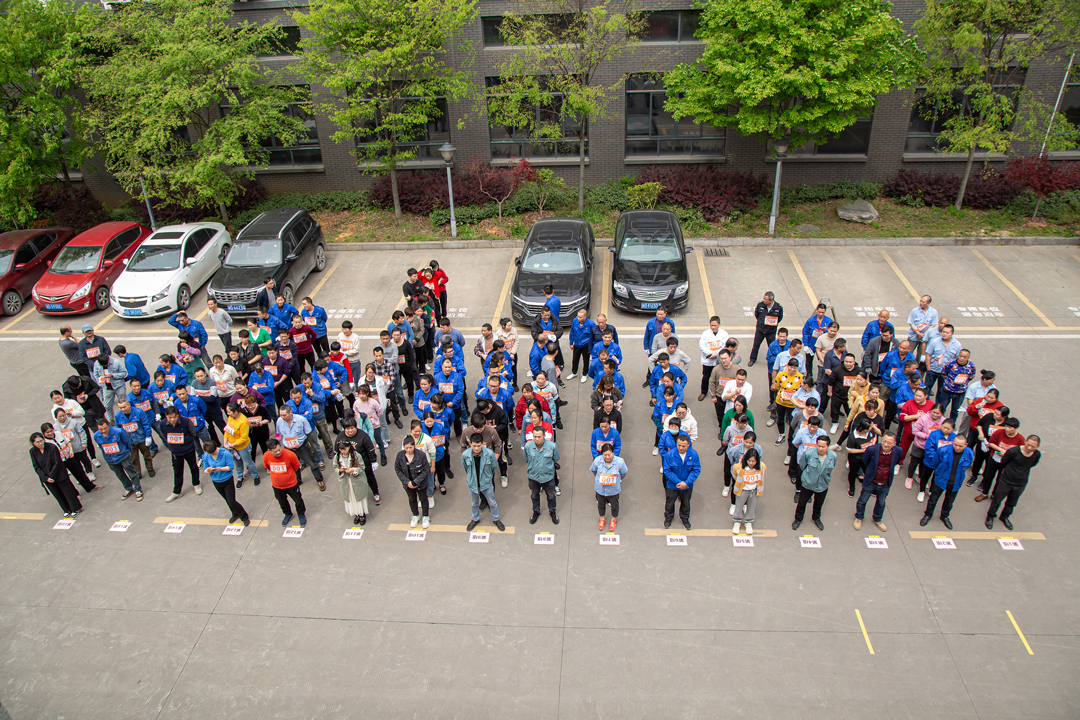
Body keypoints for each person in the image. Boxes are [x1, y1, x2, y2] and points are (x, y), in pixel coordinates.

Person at [985, 435, 1040, 531]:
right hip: (1006, 481)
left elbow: (1032, 464)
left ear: (1038, 447)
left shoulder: (1036, 455)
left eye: (1033, 447)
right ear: (1025, 442)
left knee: (1012, 502)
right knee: (997, 500)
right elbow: (1004, 461)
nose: (1029, 448)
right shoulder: (1014, 451)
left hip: (1021, 483)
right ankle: (990, 516)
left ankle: (1004, 517)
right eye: (1028, 444)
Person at [920, 435, 973, 529]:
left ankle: (944, 516)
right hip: (941, 480)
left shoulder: (969, 453)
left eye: (960, 446)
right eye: (955, 444)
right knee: (933, 500)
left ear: (966, 445)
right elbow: (935, 462)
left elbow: (968, 464)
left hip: (956, 483)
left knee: (949, 502)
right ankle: (927, 515)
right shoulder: (943, 450)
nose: (957, 447)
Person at [855, 432, 902, 531]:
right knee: (862, 500)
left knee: (881, 503)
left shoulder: (898, 451)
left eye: (889, 443)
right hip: (871, 481)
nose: (885, 444)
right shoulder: (872, 450)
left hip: (885, 483)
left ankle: (877, 519)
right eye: (884, 441)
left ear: (894, 443)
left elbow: (897, 461)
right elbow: (865, 461)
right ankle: (859, 517)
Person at [29, 433, 83, 518]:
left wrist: (51, 476)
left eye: (41, 441)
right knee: (58, 494)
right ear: (33, 443)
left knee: (68, 492)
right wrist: (46, 478)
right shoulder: (33, 451)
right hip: (47, 478)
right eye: (37, 442)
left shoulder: (52, 447)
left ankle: (75, 508)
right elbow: (36, 466)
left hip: (59, 474)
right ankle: (66, 509)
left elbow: (57, 462)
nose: (40, 444)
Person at [156, 406, 201, 502]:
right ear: (166, 416)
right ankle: (177, 492)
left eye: (174, 417)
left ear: (178, 416)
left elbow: (192, 433)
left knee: (193, 467)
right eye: (169, 417)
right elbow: (164, 435)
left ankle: (196, 484)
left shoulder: (186, 422)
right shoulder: (162, 424)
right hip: (176, 452)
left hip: (188, 450)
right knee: (177, 471)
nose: (172, 420)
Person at [462, 433, 505, 532]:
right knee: (474, 503)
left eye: (478, 446)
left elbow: (494, 466)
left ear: (482, 444)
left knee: (492, 502)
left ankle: (496, 519)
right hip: (473, 483)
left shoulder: (489, 454)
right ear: (470, 444)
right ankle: (475, 519)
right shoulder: (465, 455)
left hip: (486, 483)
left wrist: (488, 477)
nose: (476, 448)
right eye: (474, 446)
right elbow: (465, 467)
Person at [201, 440, 248, 525]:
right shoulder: (206, 456)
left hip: (227, 481)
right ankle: (235, 513)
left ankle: (244, 516)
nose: (212, 455)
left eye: (213, 453)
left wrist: (220, 469)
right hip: (216, 481)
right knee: (227, 500)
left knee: (232, 501)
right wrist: (207, 470)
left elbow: (230, 467)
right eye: (210, 454)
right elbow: (205, 468)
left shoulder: (225, 453)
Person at [263, 438, 306, 527]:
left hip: (292, 485)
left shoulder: (290, 454)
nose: (278, 452)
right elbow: (267, 467)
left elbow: (296, 466)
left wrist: (288, 476)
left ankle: (301, 514)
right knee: (282, 501)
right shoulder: (266, 456)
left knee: (298, 500)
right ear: (269, 450)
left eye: (279, 450)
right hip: (277, 486)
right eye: (275, 451)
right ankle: (288, 514)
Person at [662, 434, 699, 530]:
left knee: (686, 503)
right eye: (679, 445)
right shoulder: (669, 455)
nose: (681, 448)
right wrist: (678, 482)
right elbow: (667, 470)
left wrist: (686, 483)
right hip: (672, 485)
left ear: (688, 445)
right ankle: (668, 518)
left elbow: (696, 470)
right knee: (670, 502)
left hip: (687, 485)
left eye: (683, 446)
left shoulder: (693, 454)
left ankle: (685, 518)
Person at [524, 426, 560, 525]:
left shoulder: (552, 446)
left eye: (539, 436)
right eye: (535, 436)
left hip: (548, 477)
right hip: (533, 477)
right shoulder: (528, 446)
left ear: (544, 436)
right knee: (534, 496)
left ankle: (552, 512)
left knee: (551, 496)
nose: (537, 439)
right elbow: (526, 458)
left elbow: (556, 458)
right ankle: (536, 511)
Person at [591, 443, 628, 532]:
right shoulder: (597, 461)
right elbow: (594, 471)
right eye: (605, 455)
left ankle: (613, 519)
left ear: (613, 453)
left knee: (614, 505)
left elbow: (623, 473)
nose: (607, 457)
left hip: (613, 490)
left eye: (609, 454)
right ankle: (602, 518)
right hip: (600, 489)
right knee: (601, 504)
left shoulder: (620, 462)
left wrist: (617, 480)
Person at [334, 440, 372, 526]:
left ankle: (362, 514)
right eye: (341, 449)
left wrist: (353, 470)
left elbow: (362, 467)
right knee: (350, 498)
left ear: (349, 447)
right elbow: (335, 467)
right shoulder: (337, 457)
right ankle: (356, 514)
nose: (343, 451)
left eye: (344, 449)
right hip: (346, 481)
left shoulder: (356, 455)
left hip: (356, 480)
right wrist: (340, 470)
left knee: (359, 497)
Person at [396, 435, 431, 529]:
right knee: (412, 499)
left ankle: (425, 516)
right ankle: (415, 515)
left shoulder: (421, 455)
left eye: (410, 447)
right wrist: (407, 482)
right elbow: (398, 469)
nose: (408, 450)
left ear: (414, 446)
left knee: (423, 499)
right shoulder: (400, 456)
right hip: (408, 485)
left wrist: (416, 482)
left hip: (420, 484)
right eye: (406, 448)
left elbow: (425, 470)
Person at [114, 399, 154, 479]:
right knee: (134, 459)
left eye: (124, 407)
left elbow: (146, 425)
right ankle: (138, 473)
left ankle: (150, 468)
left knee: (147, 455)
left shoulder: (139, 412)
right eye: (120, 408)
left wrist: (148, 436)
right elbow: (119, 431)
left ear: (129, 404)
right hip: (129, 442)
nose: (123, 409)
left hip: (141, 438)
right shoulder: (118, 416)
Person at [731, 449, 765, 535]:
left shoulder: (762, 467)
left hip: (754, 490)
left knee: (752, 506)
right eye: (749, 460)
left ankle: (748, 521)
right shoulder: (738, 467)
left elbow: (762, 476)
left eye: (753, 461)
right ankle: (737, 521)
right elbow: (735, 475)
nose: (751, 463)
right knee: (739, 506)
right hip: (742, 490)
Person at [924, 324, 962, 399]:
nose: (944, 334)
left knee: (942, 391)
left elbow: (957, 359)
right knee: (926, 389)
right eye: (943, 332)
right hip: (933, 370)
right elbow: (928, 355)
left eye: (947, 333)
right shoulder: (934, 342)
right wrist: (929, 369)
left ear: (952, 334)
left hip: (946, 373)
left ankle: (938, 408)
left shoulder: (957, 345)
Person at [697, 316, 729, 401]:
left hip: (719, 360)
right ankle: (703, 392)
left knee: (719, 377)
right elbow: (702, 345)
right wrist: (709, 353)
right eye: (711, 325)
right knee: (706, 377)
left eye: (715, 325)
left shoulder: (724, 334)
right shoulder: (705, 334)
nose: (713, 327)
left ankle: (718, 393)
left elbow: (724, 346)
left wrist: (717, 354)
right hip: (708, 360)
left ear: (719, 324)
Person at [772, 358, 803, 445]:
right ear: (787, 366)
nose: (793, 369)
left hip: (792, 404)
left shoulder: (800, 377)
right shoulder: (781, 375)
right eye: (791, 367)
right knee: (780, 419)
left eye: (795, 368)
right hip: (781, 402)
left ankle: (792, 437)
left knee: (792, 421)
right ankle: (781, 434)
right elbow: (777, 386)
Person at [749, 292, 783, 367]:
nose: (763, 300)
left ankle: (773, 360)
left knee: (772, 346)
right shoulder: (760, 305)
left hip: (771, 331)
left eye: (765, 299)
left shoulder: (778, 307)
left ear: (771, 300)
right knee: (756, 345)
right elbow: (756, 314)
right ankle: (752, 359)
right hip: (760, 330)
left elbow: (779, 318)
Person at [801, 303, 832, 377]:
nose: (821, 314)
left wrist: (826, 330)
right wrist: (805, 344)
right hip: (811, 345)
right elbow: (805, 332)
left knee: (822, 362)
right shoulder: (810, 321)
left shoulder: (828, 321)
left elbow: (833, 332)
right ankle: (809, 377)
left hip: (822, 346)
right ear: (816, 311)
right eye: (819, 312)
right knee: (808, 362)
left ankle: (821, 376)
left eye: (823, 312)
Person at [568, 308, 596, 381]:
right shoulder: (575, 321)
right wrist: (571, 343)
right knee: (575, 359)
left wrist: (592, 346)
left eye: (580, 317)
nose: (578, 318)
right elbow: (572, 332)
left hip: (586, 345)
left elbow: (595, 334)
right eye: (578, 316)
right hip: (577, 344)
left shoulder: (591, 324)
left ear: (585, 316)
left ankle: (584, 374)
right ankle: (574, 372)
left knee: (586, 360)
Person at [907, 295, 938, 361]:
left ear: (928, 303)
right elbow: (911, 323)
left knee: (921, 355)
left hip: (925, 338)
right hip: (913, 336)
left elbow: (932, 325)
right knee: (908, 353)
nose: (921, 303)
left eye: (923, 302)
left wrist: (924, 334)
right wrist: (918, 333)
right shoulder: (914, 311)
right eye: (921, 301)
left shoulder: (933, 312)